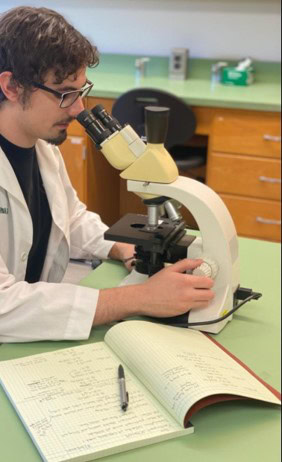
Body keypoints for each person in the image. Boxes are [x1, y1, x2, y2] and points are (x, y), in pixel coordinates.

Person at [0, 6, 214, 342]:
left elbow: (69, 217)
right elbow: (3, 306)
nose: (78, 110)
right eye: (65, 94)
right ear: (11, 87)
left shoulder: (43, 148)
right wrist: (138, 298)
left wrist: (124, 249)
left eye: (81, 92)